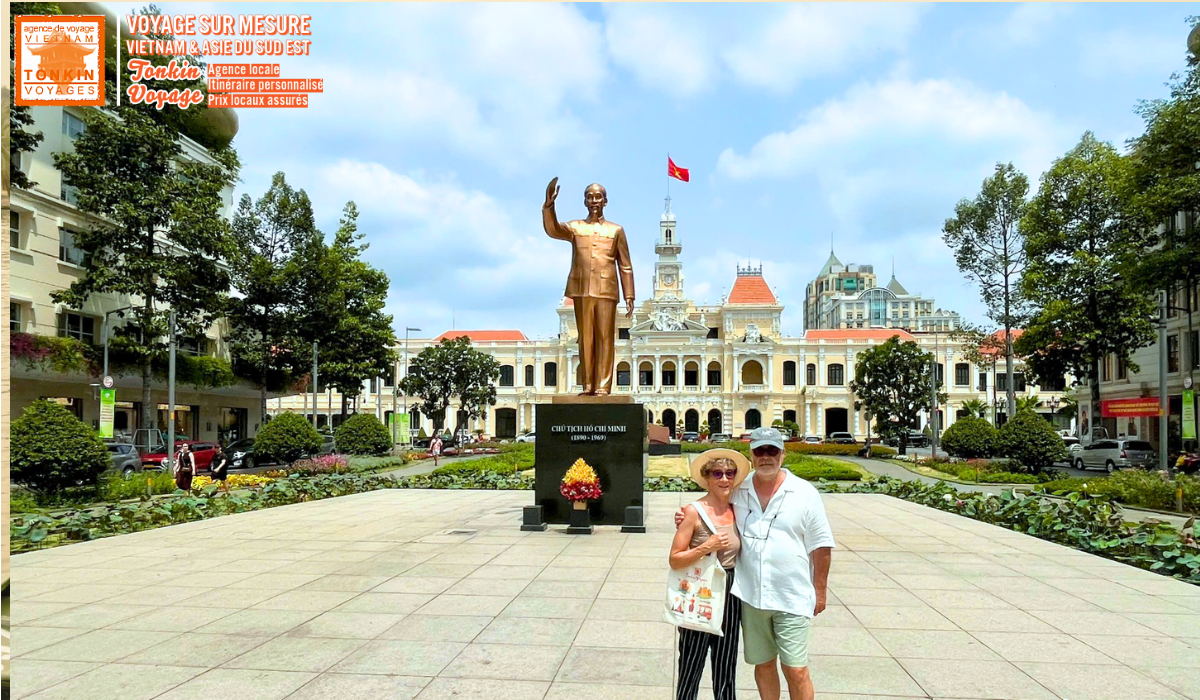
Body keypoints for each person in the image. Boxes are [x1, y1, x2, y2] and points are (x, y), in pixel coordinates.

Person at [675, 427, 835, 700]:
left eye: (772, 450)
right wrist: (686, 518)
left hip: (792, 595)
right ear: (752, 455)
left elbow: (821, 546)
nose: (766, 457)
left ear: (782, 454)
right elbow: (714, 507)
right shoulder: (740, 489)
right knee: (763, 666)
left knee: (796, 670)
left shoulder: (804, 493)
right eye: (760, 451)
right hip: (750, 597)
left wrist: (820, 591)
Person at [542, 178, 635, 396]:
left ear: (605, 201)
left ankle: (603, 386)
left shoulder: (616, 230)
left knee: (604, 338)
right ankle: (588, 386)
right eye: (590, 197)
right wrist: (549, 205)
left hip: (607, 289)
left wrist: (629, 294)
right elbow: (552, 229)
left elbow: (625, 265)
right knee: (585, 339)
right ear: (585, 201)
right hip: (582, 288)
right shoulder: (575, 227)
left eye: (598, 196)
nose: (594, 200)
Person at [671, 449, 750, 700]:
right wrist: (708, 546)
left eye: (730, 473)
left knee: (726, 663)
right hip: (700, 589)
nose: (724, 479)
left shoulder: (739, 509)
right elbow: (675, 559)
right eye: (717, 473)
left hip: (731, 589)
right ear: (707, 478)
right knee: (691, 664)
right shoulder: (693, 511)